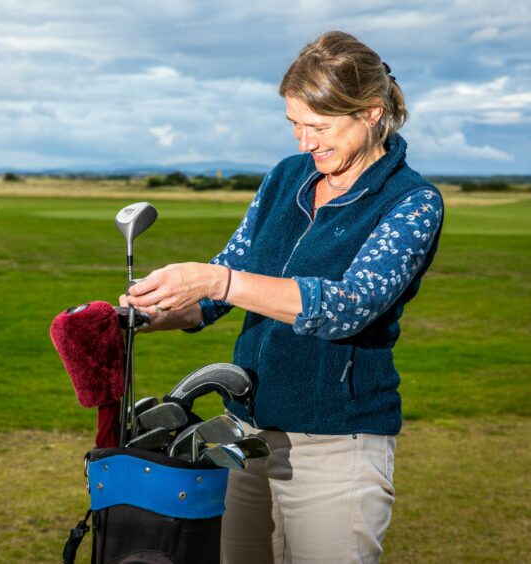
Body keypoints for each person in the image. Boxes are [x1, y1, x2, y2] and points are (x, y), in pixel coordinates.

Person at [123, 30, 443, 563]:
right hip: (243, 434)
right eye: (294, 124)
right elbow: (226, 281)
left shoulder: (412, 202)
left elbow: (345, 306)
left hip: (336, 444)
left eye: (318, 126)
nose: (304, 142)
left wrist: (215, 281)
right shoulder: (286, 177)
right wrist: (146, 314)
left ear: (370, 112)